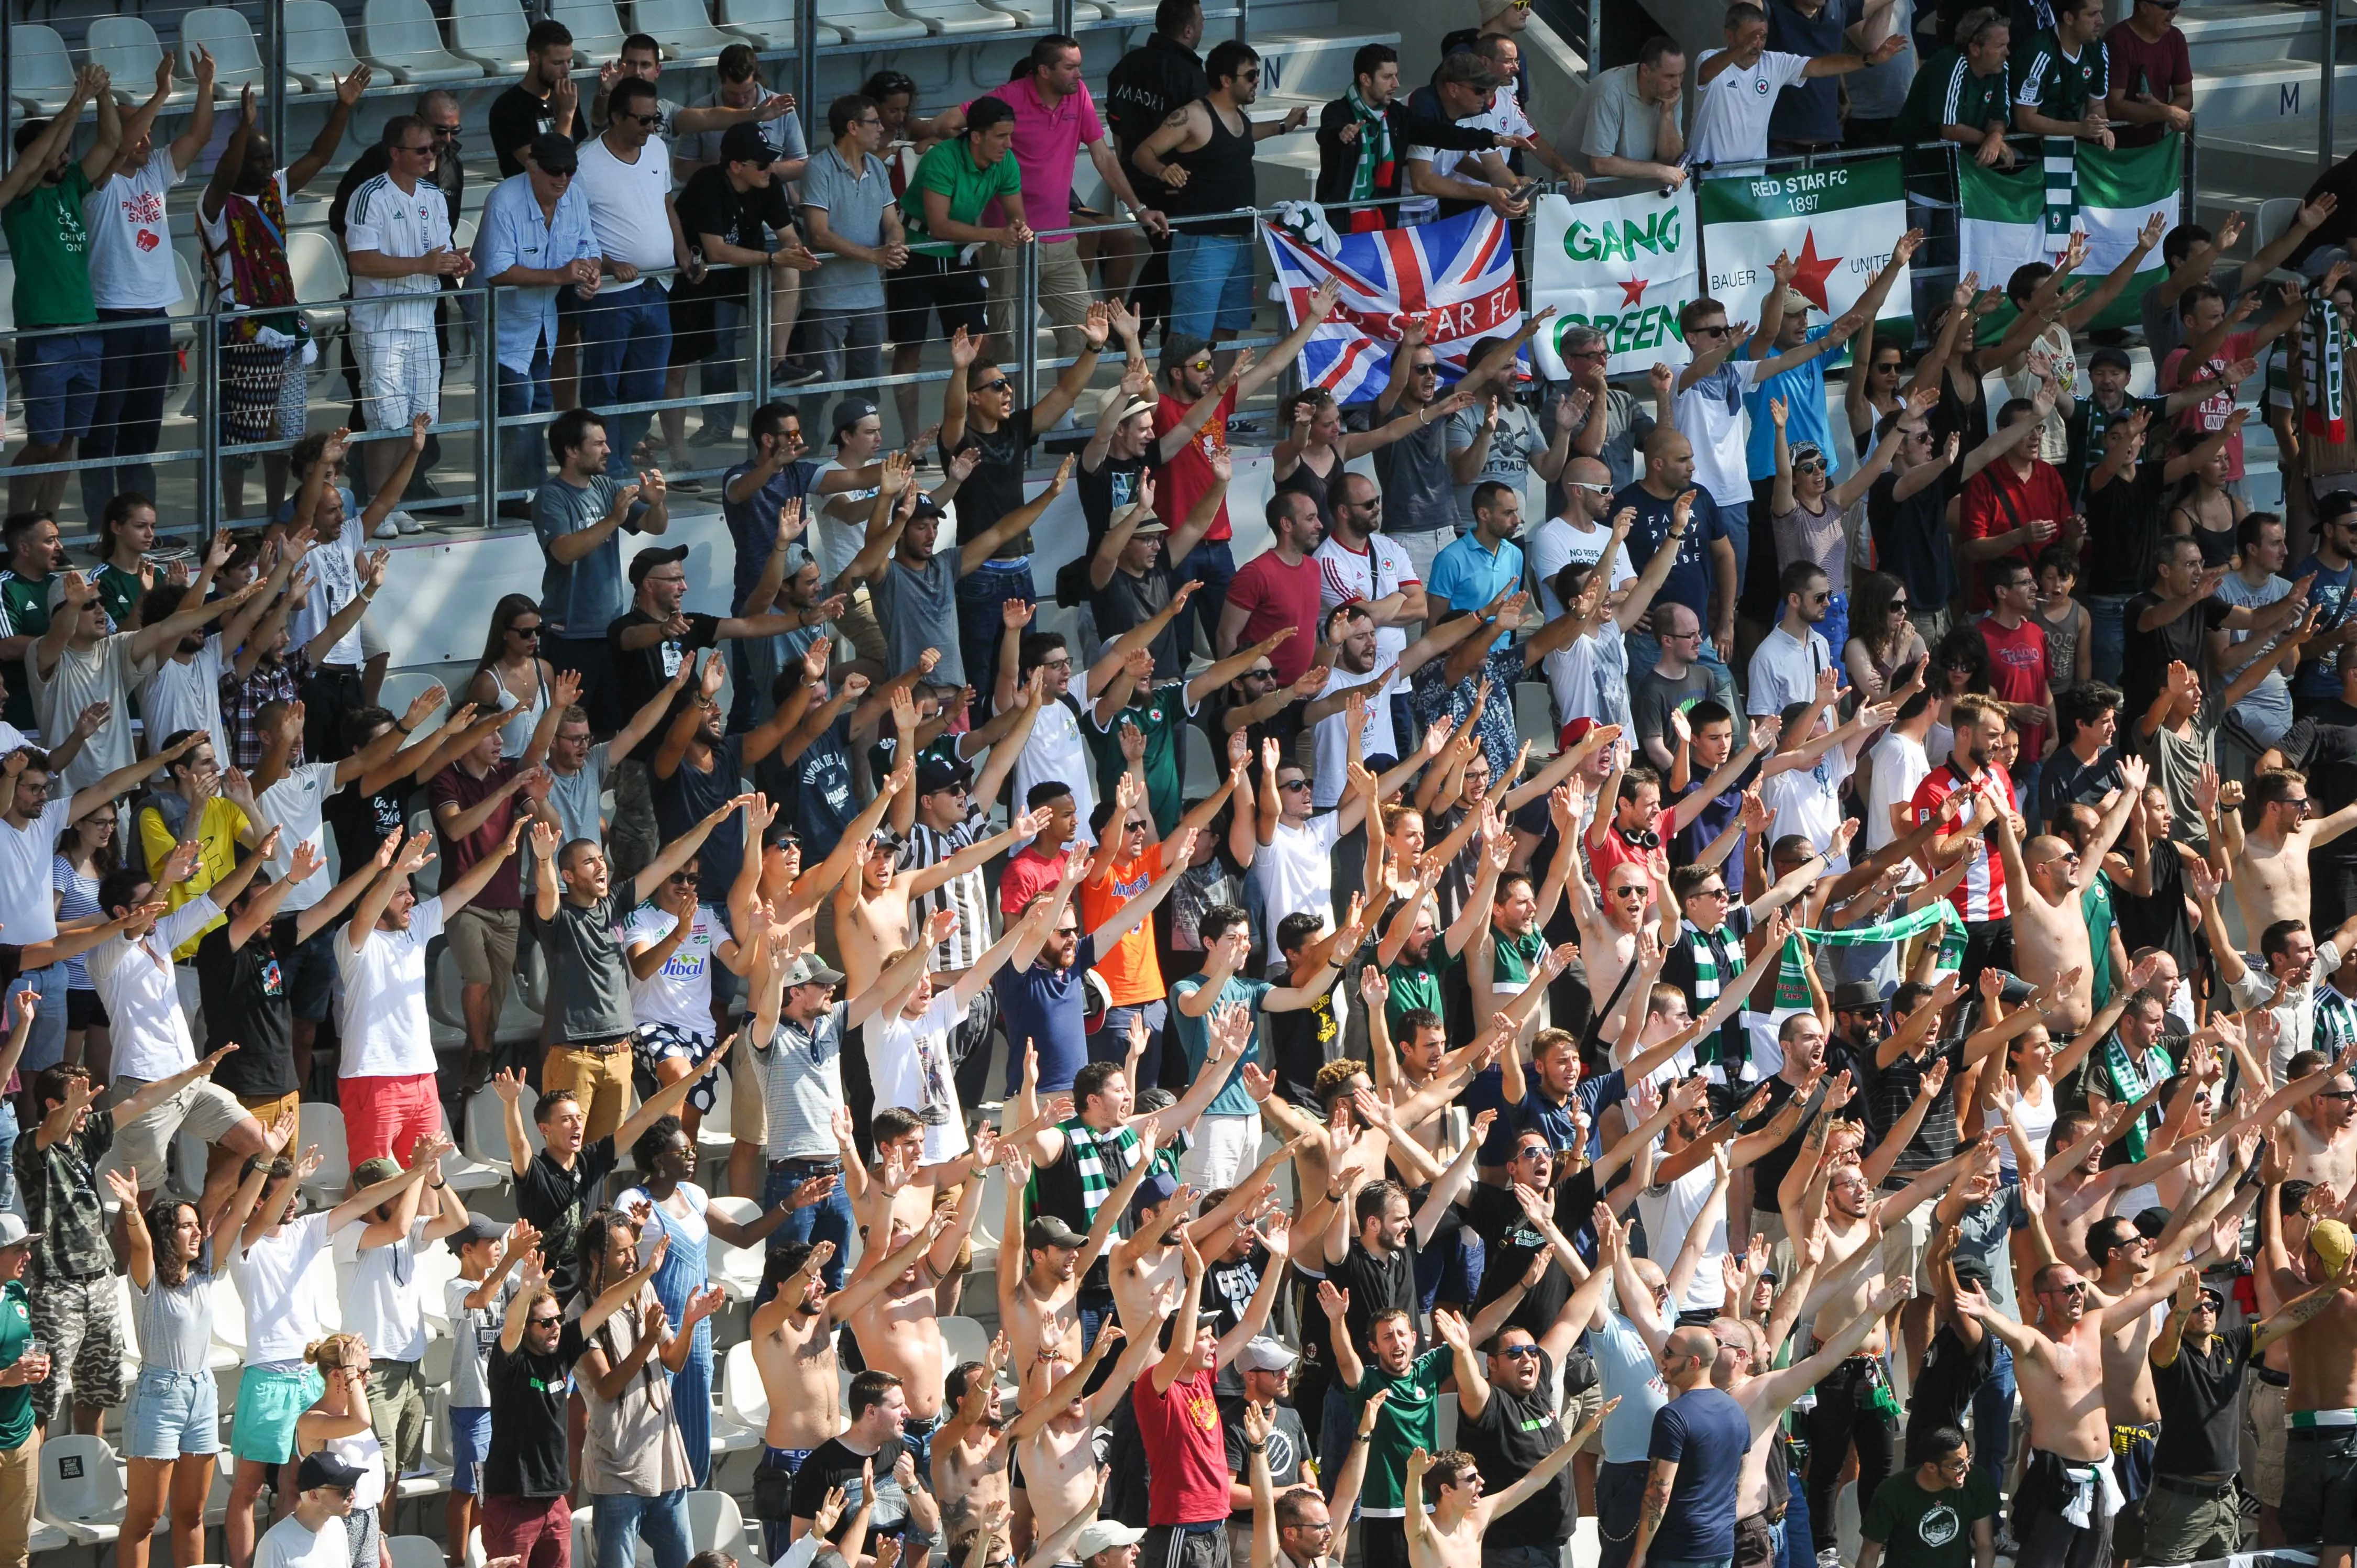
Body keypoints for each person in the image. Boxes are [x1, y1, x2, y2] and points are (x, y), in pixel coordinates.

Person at [111, 1135, 287, 1568]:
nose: (198, 1232)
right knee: (146, 1518)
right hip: (158, 1398)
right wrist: (134, 1211)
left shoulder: (205, 1270)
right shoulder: (148, 1278)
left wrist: (265, 1160)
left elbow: (243, 1212)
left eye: (197, 1224)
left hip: (202, 1395)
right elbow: (139, 1245)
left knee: (192, 1515)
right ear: (166, 1235)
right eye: (187, 1226)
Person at [202, 75, 369, 522]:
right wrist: (243, 127)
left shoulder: (275, 191)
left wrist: (343, 107)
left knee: (285, 433)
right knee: (239, 439)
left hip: (286, 324)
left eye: (268, 158)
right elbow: (222, 173)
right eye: (254, 159)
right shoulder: (216, 207)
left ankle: (276, 514)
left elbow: (319, 155)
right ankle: (235, 521)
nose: (264, 166)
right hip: (244, 329)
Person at [336, 822, 525, 1164]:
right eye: (400, 892)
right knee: (371, 1185)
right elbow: (366, 913)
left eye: (410, 889)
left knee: (425, 1178)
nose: (411, 898)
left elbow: (463, 891)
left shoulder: (416, 924)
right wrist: (395, 871)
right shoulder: (353, 938)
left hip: (422, 1077)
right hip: (372, 1077)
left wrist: (503, 853)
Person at [81, 54, 215, 526]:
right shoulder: (96, 181)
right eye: (135, 129)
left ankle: (141, 528)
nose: (146, 137)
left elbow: (198, 136)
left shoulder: (155, 170)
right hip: (110, 316)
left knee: (143, 431)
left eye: (148, 129)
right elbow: (115, 148)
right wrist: (159, 94)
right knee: (103, 431)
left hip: (154, 317)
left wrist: (203, 86)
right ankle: (103, 529)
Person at [1131, 41, 1307, 344]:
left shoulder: (1238, 116)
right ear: (1226, 80)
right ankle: (1180, 391)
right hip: (1202, 244)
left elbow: (1239, 139)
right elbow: (1142, 152)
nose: (1257, 82)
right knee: (1191, 337)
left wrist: (1283, 126)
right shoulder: (1193, 115)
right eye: (1251, 75)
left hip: (1240, 243)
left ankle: (1221, 391)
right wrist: (1162, 170)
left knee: (1228, 332)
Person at [343, 116, 470, 511]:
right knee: (386, 423)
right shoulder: (370, 196)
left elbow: (439, 255)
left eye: (434, 148)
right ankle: (373, 508)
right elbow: (360, 262)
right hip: (381, 325)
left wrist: (457, 264)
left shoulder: (433, 196)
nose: (431, 156)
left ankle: (394, 504)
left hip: (423, 321)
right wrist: (421, 265)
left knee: (416, 422)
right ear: (395, 153)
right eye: (422, 150)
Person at [575, 76, 695, 482]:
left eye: (654, 120)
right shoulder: (585, 162)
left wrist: (682, 250)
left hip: (657, 287)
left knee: (648, 390)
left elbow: (666, 204)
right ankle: (604, 468)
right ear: (615, 117)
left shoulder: (658, 149)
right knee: (603, 388)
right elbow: (574, 230)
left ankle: (619, 458)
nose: (649, 127)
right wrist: (607, 263)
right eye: (641, 120)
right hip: (611, 294)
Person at [476, 133, 601, 517]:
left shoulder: (574, 196)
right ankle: (514, 497)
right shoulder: (504, 200)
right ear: (533, 166)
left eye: (569, 171)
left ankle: (532, 490)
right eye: (555, 171)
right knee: (517, 404)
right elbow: (498, 272)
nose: (563, 179)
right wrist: (563, 275)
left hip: (542, 322)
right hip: (501, 319)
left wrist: (590, 275)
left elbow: (589, 248)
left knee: (540, 403)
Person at [533, 407, 673, 725]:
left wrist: (657, 502)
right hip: (569, 636)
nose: (608, 450)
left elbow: (656, 526)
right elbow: (564, 552)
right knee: (571, 730)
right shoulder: (551, 497)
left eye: (606, 442)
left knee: (610, 728)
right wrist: (613, 520)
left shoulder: (606, 487)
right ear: (571, 450)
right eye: (598, 444)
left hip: (611, 632)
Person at [1314, 43, 1514, 228]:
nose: (1396, 84)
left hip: (1382, 215)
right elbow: (1326, 135)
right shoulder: (1337, 111)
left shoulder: (1396, 114)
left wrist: (1490, 139)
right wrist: (1341, 134)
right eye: (1387, 77)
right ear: (1365, 79)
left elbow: (1440, 133)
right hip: (1340, 220)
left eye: (1396, 76)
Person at [1690, 1, 1904, 167]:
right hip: (1713, 179)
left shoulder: (1773, 62)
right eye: (1751, 38)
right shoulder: (1709, 58)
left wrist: (1869, 60)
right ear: (1730, 35)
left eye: (1763, 38)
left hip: (1754, 176)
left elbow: (1821, 65)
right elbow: (1707, 72)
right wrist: (1741, 48)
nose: (1757, 45)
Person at [800, 96, 906, 403]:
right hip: (827, 298)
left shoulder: (876, 166)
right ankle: (809, 450)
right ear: (852, 127)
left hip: (870, 299)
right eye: (874, 122)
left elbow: (892, 221)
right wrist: (875, 256)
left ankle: (860, 450)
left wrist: (895, 244)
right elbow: (819, 234)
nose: (881, 128)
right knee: (819, 387)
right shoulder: (819, 169)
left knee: (867, 388)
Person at [1857, 1427, 2000, 1568]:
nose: (1966, 1469)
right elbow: (1869, 1556)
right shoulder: (1892, 1493)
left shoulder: (1976, 1480)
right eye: (1958, 1464)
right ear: (1931, 1467)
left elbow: (1985, 1544)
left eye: (1967, 1458)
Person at [1897, 10, 2018, 171]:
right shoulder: (1950, 65)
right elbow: (1950, 130)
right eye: (2000, 46)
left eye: (2007, 45)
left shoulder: (2000, 68)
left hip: (1958, 157)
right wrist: (1994, 142)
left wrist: (1995, 137)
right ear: (1975, 49)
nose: (2007, 53)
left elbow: (1999, 116)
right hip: (1915, 160)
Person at [1578, 39, 1688, 183]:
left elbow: (1670, 160)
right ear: (1645, 70)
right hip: (1585, 193)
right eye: (1670, 76)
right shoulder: (1610, 92)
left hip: (1629, 194)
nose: (1677, 84)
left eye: (1681, 75)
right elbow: (1600, 163)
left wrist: (1667, 115)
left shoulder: (1671, 93)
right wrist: (1658, 170)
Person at [489, 22, 585, 176]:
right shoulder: (509, 107)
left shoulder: (565, 96)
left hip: (568, 194)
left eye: (569, 61)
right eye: (557, 63)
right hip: (527, 196)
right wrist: (566, 115)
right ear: (534, 58)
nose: (566, 70)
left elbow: (579, 153)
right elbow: (546, 168)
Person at [2105, 0, 2194, 148]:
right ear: (2144, 6)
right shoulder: (2117, 40)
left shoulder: (2176, 38)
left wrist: (2158, 111)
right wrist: (2164, 113)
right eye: (2168, 6)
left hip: (2155, 148)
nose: (2176, 11)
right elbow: (2114, 106)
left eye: (2177, 3)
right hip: (2114, 150)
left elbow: (2186, 97)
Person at [252, 1452, 366, 1568]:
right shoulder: (275, 1543)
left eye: (353, 1486)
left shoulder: (337, 1526)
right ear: (314, 1496)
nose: (353, 1495)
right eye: (344, 1490)